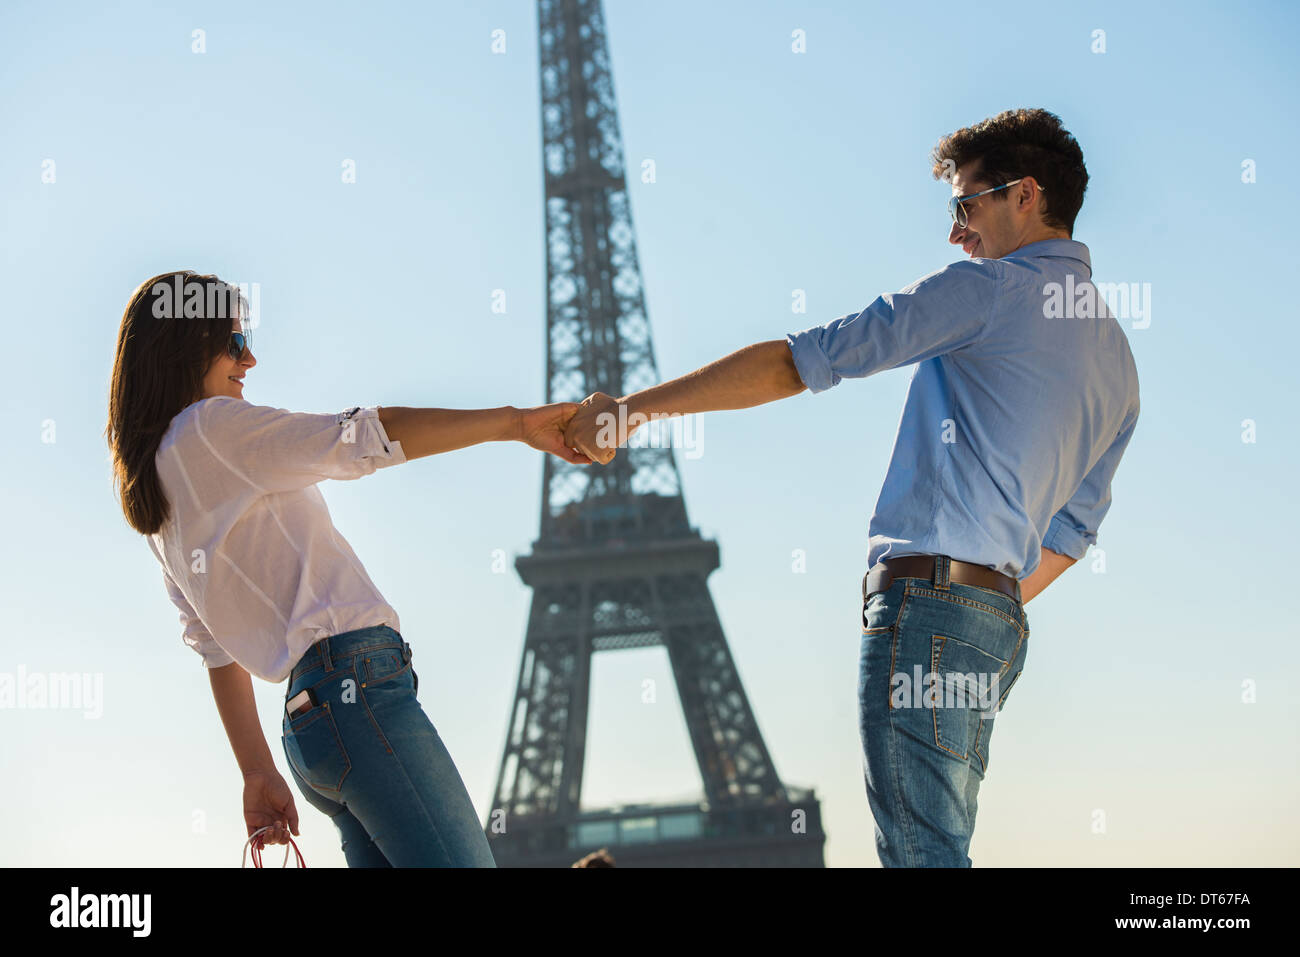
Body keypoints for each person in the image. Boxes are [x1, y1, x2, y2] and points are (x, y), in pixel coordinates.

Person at [561, 108, 1141, 867]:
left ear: (1024, 194)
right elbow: (1070, 536)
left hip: (930, 605)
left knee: (919, 856)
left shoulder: (985, 291)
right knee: (937, 848)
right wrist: (978, 602)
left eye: (965, 205)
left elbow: (804, 361)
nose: (956, 232)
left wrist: (631, 412)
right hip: (996, 624)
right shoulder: (1119, 360)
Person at [105, 271, 589, 866]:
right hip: (357, 696)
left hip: (313, 728)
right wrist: (515, 424)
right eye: (233, 342)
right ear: (183, 347)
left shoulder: (156, 487)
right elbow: (360, 438)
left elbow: (214, 648)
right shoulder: (208, 429)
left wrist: (256, 771)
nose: (250, 358)